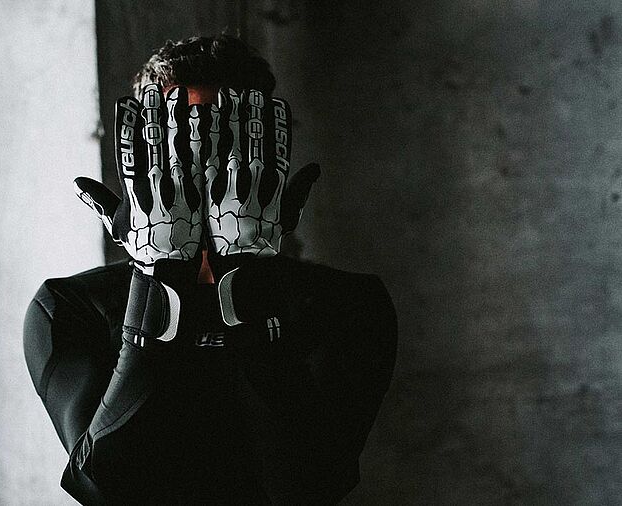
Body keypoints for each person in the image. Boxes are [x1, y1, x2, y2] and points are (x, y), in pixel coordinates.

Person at [23, 34, 397, 505]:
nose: (200, 164)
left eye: (222, 142)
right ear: (145, 156)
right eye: (179, 144)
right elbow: (104, 489)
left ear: (264, 154)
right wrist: (157, 279)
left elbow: (310, 488)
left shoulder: (348, 306)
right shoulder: (68, 308)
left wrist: (245, 279)